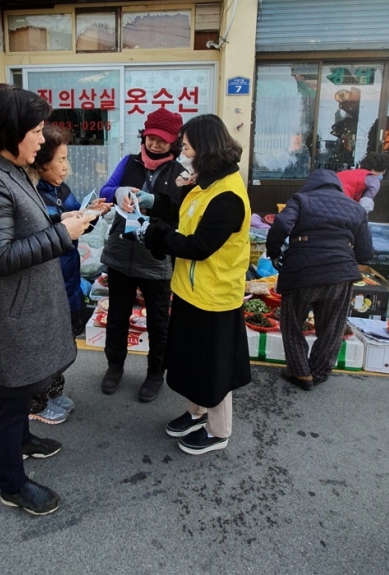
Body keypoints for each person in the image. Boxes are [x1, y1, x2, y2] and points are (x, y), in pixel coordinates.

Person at [0, 84, 92, 516]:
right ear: (9, 131)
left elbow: (16, 225)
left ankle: (25, 442)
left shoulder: (7, 167)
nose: (40, 138)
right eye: (34, 130)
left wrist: (57, 219)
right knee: (10, 405)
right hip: (4, 320)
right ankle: (12, 485)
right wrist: (61, 235)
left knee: (22, 393)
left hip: (22, 312)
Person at [133, 113, 252, 454]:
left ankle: (219, 431)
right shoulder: (207, 182)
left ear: (203, 148)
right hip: (191, 290)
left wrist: (150, 232)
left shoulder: (227, 195)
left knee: (214, 367)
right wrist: (152, 203)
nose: (182, 152)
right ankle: (197, 412)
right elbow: (185, 214)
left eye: (185, 146)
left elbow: (198, 246)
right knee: (193, 361)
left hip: (214, 297)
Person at [99, 107, 187, 403]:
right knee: (117, 315)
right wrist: (118, 192)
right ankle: (114, 366)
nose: (155, 144)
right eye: (151, 137)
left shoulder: (180, 173)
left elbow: (180, 209)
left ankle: (154, 373)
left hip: (157, 256)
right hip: (122, 252)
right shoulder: (129, 162)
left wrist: (154, 202)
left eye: (162, 140)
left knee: (158, 320)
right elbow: (106, 189)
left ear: (174, 141)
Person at [27, 123, 111, 424]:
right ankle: (35, 404)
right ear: (40, 161)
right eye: (60, 160)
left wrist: (92, 213)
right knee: (42, 348)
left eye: (66, 159)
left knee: (61, 343)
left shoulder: (61, 188)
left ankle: (53, 390)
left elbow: (76, 223)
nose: (66, 167)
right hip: (47, 281)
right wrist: (64, 219)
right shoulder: (30, 191)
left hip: (69, 276)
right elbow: (42, 224)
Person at [266, 169, 374, 391]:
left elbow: (281, 225)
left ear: (311, 184)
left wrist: (274, 251)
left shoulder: (302, 199)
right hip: (340, 275)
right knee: (332, 326)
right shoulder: (356, 208)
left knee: (293, 322)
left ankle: (300, 372)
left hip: (302, 271)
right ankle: (319, 371)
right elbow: (365, 253)